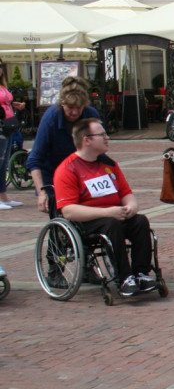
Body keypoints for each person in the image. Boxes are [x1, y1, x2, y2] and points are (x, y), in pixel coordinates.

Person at [53, 118, 157, 296]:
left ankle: (141, 273)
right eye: (102, 135)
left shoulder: (109, 164)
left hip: (114, 214)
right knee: (111, 224)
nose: (107, 137)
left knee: (140, 221)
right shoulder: (68, 169)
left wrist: (131, 206)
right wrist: (107, 212)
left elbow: (125, 193)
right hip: (88, 221)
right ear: (87, 139)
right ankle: (123, 278)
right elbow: (68, 210)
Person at [28, 76, 100, 214]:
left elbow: (100, 149)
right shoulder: (51, 118)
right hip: (53, 172)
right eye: (70, 107)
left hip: (82, 172)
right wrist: (42, 192)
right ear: (62, 103)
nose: (74, 112)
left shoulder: (90, 115)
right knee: (61, 212)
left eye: (79, 108)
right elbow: (35, 159)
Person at [0, 62, 26, 209]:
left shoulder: (2, 85)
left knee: (4, 163)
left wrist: (14, 104)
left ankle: (4, 197)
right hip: (1, 126)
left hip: (8, 126)